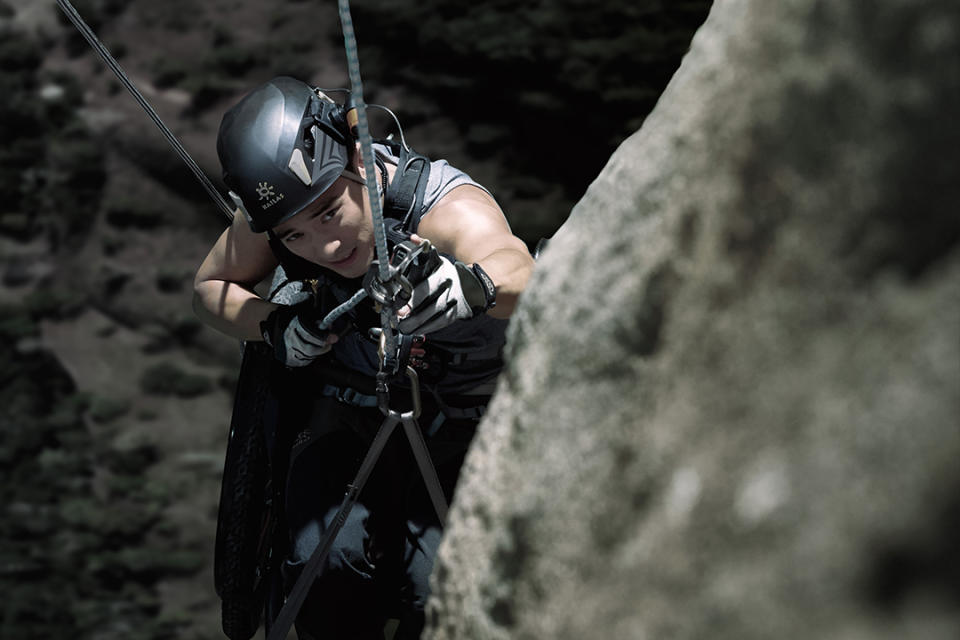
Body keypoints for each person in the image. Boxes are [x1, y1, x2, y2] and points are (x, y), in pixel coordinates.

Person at [193, 76, 533, 639]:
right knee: (323, 565)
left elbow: (517, 264)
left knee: (441, 587)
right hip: (352, 416)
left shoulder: (438, 203)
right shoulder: (284, 206)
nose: (324, 246)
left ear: (358, 156)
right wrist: (272, 324)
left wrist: (472, 286)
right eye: (296, 237)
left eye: (330, 212)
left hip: (469, 428)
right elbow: (210, 287)